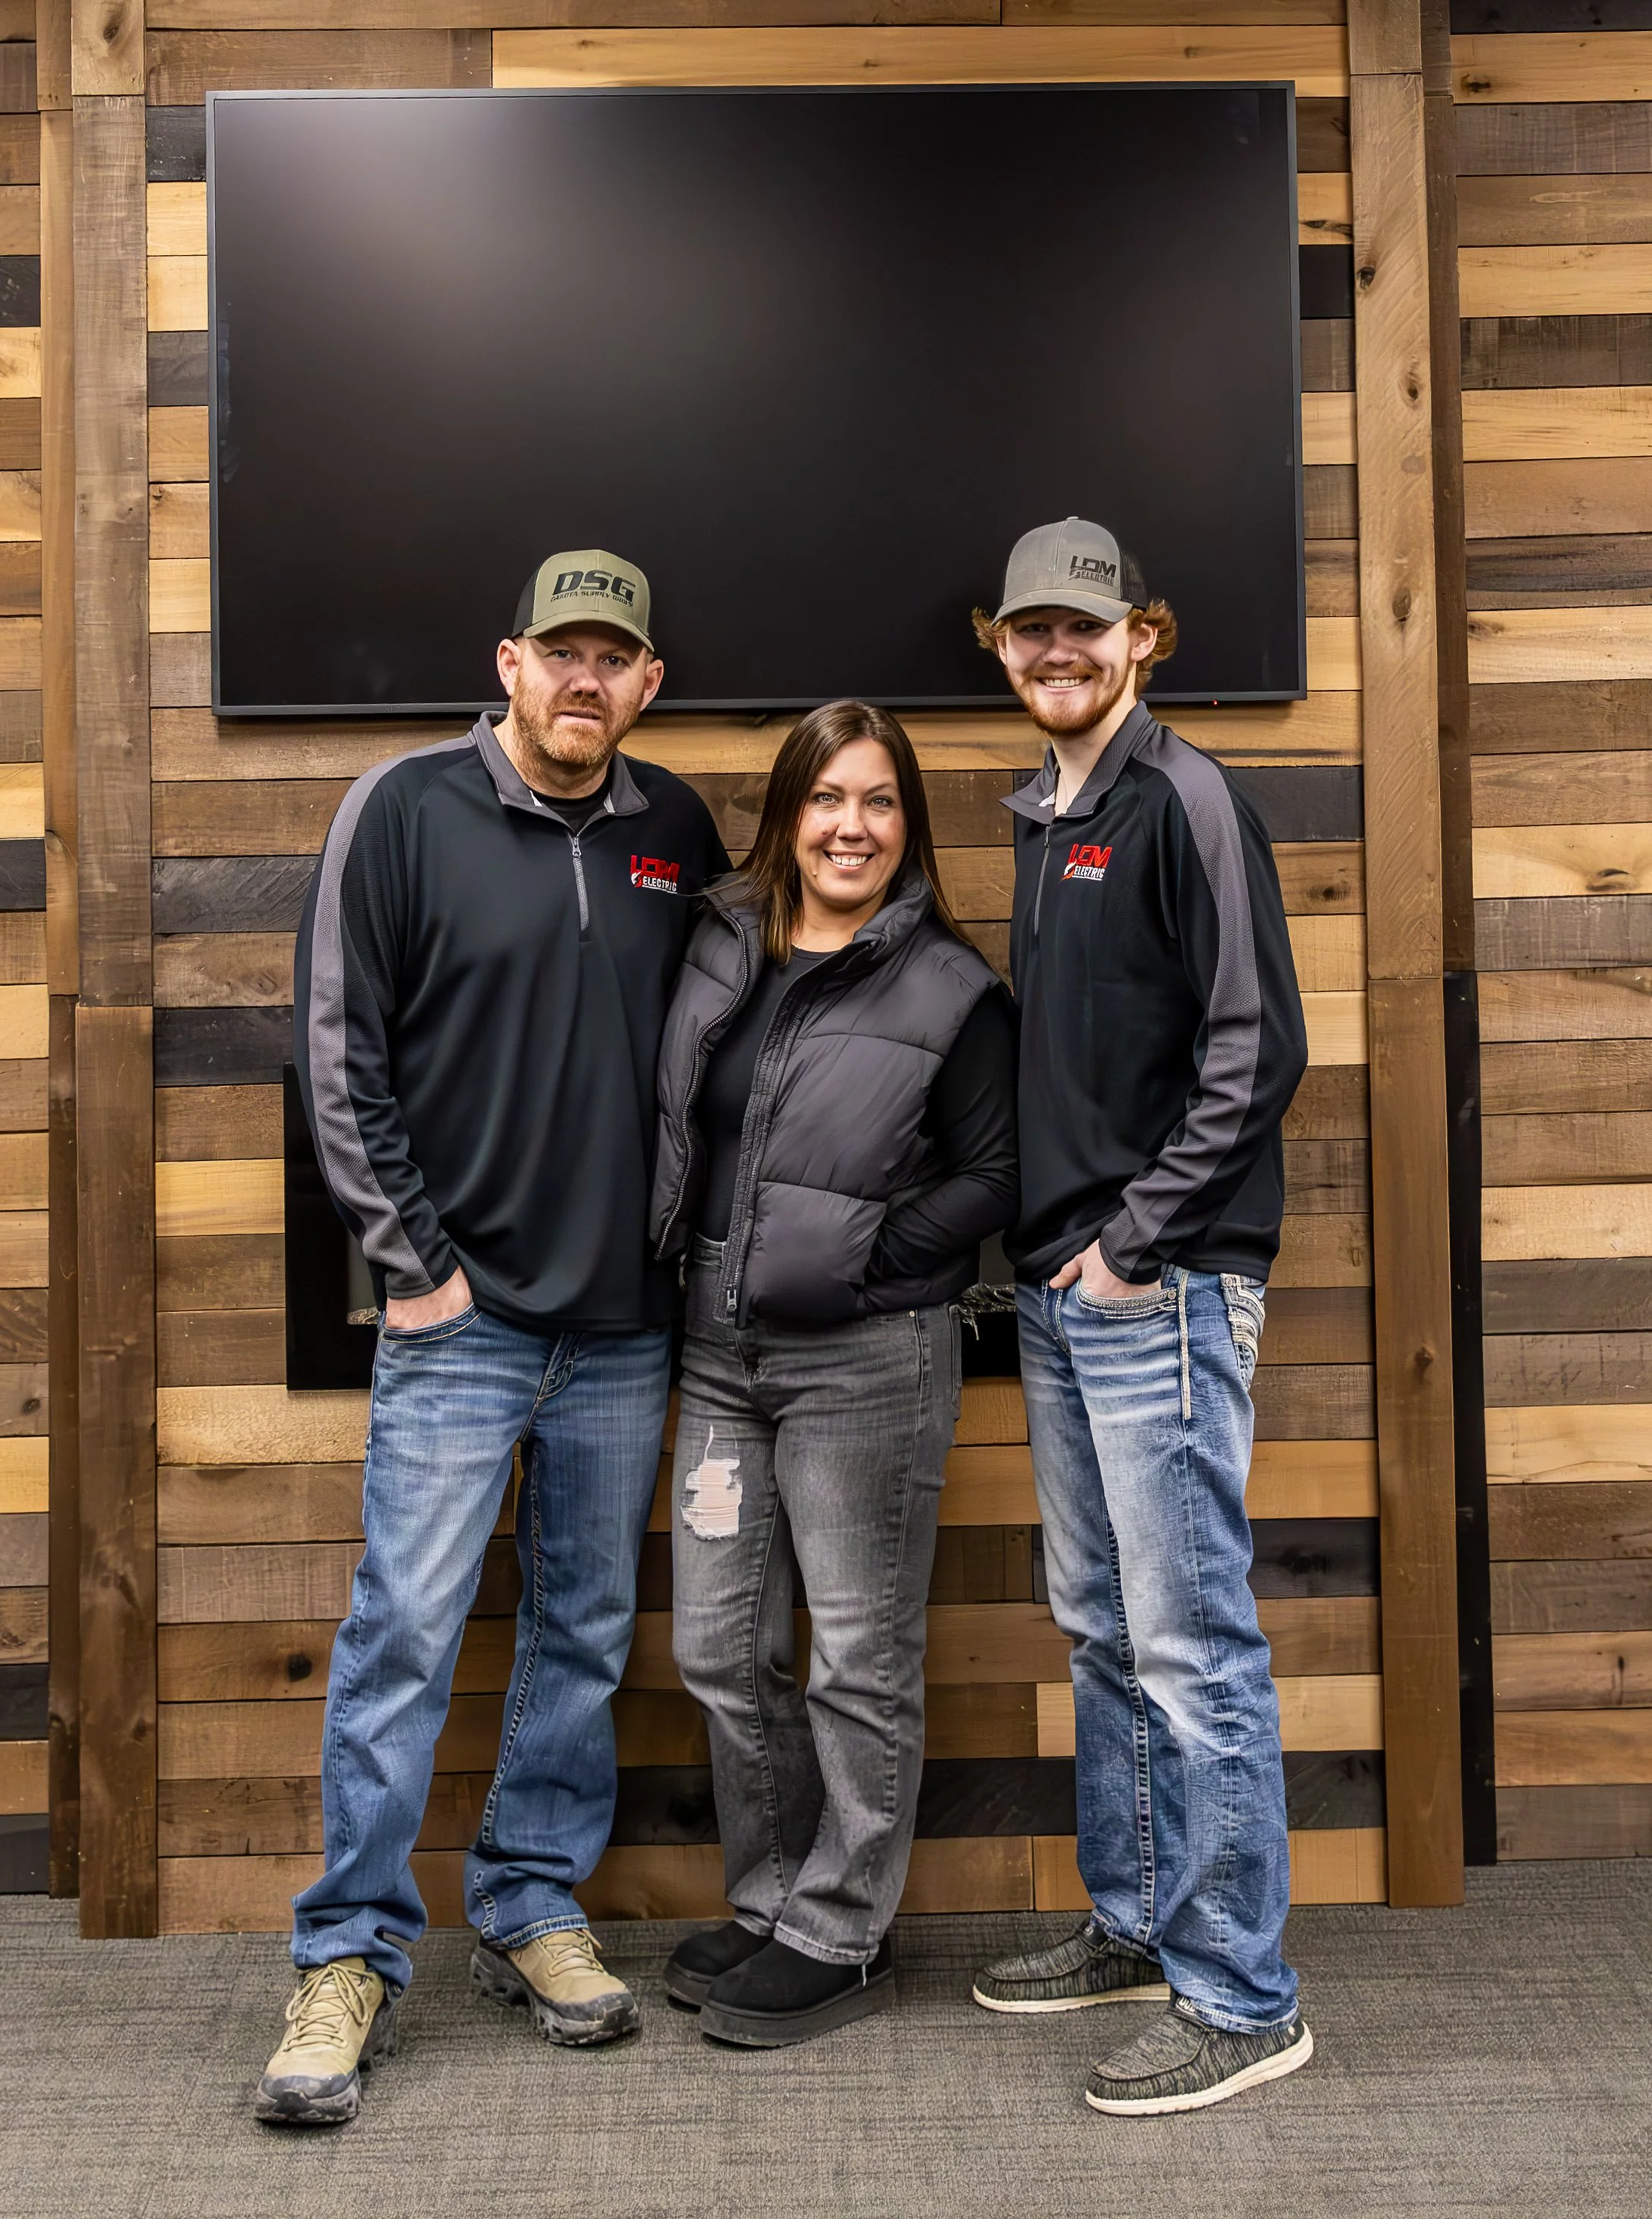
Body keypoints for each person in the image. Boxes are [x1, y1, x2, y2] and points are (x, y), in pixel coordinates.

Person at [254, 552, 729, 2125]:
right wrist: (412, 1265)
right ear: (510, 660)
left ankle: (527, 1901)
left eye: (619, 658)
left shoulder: (677, 831)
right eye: (563, 652)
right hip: (458, 1322)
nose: (587, 680)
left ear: (646, 682)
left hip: (622, 1328)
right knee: (403, 1631)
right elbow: (335, 1051)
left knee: (583, 1634)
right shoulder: (399, 810)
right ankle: (350, 1951)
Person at [968, 517, 1313, 2117]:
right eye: (1029, 630)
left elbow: (1255, 1049)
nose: (1057, 652)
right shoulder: (1046, 810)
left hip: (1155, 1286)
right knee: (1104, 1627)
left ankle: (1241, 1995)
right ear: (998, 643)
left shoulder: (1180, 796)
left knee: (1190, 1647)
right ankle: (1135, 1921)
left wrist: (1130, 1244)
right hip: (1065, 1288)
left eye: (1082, 630)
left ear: (1142, 639)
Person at [647, 699, 1018, 2049]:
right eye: (825, 799)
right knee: (720, 1648)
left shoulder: (952, 988)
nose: (848, 826)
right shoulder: (720, 945)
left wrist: (863, 1261)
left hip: (867, 1365)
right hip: (718, 1353)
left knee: (855, 1659)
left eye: (876, 802)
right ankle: (770, 1902)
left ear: (906, 826)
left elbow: (994, 1172)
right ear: (786, 816)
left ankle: (841, 1929)